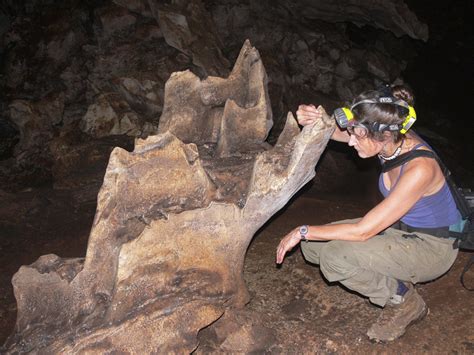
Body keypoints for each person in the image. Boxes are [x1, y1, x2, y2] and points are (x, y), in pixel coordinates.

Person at [276, 84, 462, 342]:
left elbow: (363, 231)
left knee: (333, 257)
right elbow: (339, 132)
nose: (350, 141)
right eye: (352, 131)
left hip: (432, 247)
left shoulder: (420, 168)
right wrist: (319, 120)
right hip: (400, 229)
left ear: (383, 135)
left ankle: (404, 300)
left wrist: (302, 230)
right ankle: (391, 272)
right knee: (313, 248)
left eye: (358, 135)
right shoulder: (390, 139)